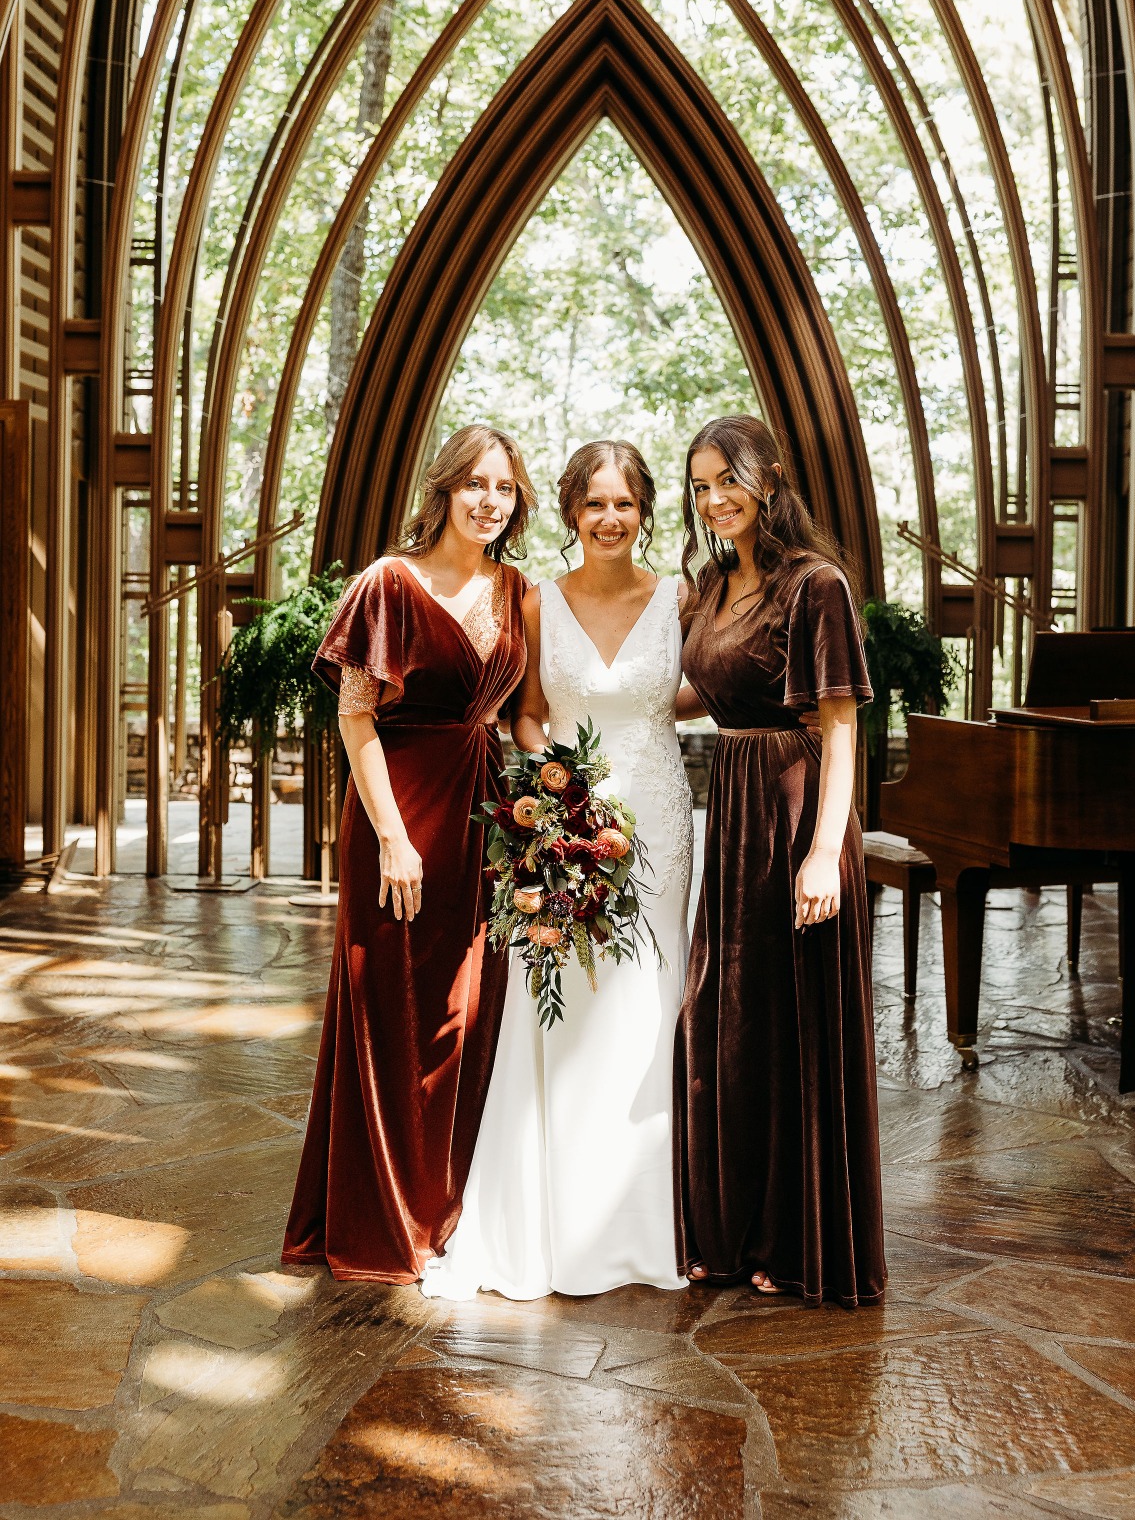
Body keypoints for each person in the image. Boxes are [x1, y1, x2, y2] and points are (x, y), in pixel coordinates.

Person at [422, 441, 694, 1300]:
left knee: (648, 1013)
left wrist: (647, 716)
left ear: (646, 510)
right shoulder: (539, 601)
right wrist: (563, 795)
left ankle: (640, 1227)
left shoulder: (682, 600)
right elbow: (530, 715)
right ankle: (553, 1222)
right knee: (567, 1011)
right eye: (592, 504)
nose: (609, 519)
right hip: (571, 821)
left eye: (625, 503)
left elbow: (700, 687)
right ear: (572, 512)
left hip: (661, 821)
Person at [282, 424, 535, 1283]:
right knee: (387, 1008)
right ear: (444, 489)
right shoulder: (388, 583)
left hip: (485, 818)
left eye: (503, 488)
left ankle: (447, 1205)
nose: (489, 501)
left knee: (467, 1015)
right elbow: (355, 716)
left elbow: (522, 712)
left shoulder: (516, 588)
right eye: (475, 484)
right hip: (400, 811)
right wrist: (392, 835)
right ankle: (381, 1218)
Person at [674, 414, 885, 1307]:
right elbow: (689, 696)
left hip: (797, 810)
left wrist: (823, 856)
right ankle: (735, 1233)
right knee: (734, 1026)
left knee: (796, 1026)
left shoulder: (816, 585)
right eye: (699, 486)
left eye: (728, 479)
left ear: (769, 479)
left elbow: (840, 725)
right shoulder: (712, 587)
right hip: (733, 812)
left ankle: (799, 1244)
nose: (714, 499)